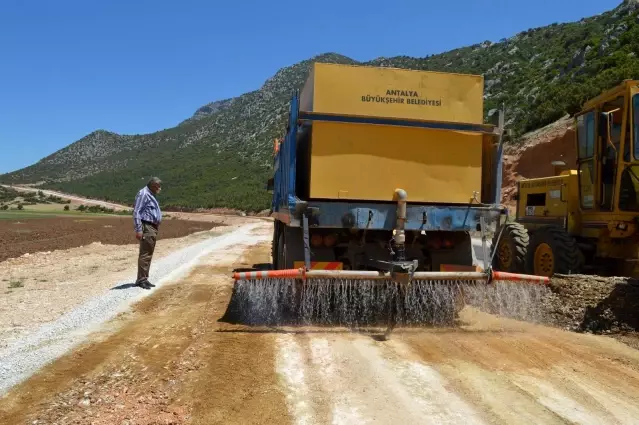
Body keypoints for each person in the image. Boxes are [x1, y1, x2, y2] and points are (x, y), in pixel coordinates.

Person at [133, 177, 163, 289]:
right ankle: (141, 280)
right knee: (145, 254)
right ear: (153, 185)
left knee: (148, 253)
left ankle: (144, 278)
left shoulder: (151, 194)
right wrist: (139, 229)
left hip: (152, 227)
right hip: (147, 226)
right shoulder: (144, 194)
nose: (159, 189)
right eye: (158, 186)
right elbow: (137, 211)